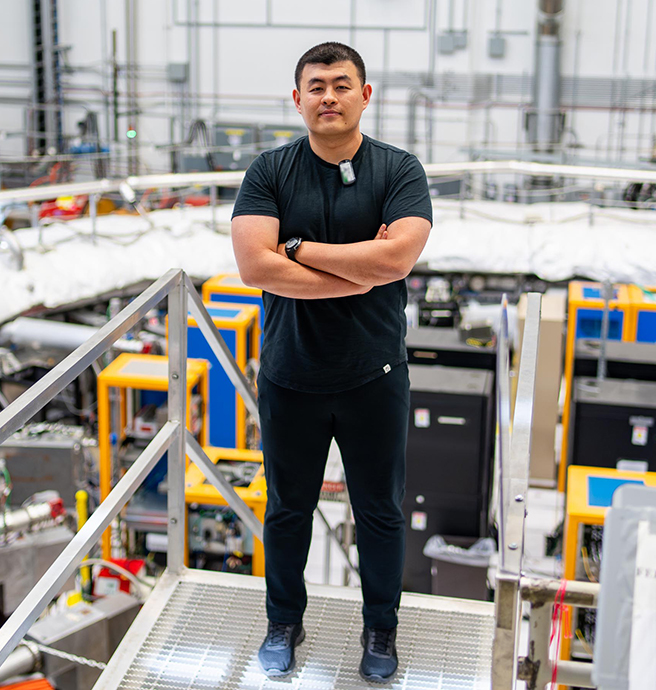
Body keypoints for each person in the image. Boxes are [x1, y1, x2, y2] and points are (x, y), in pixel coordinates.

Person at [230, 41, 433, 682]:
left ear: (364, 95)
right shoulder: (268, 170)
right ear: (298, 99)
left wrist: (299, 249)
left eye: (341, 85)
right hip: (291, 375)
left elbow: (396, 260)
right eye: (315, 86)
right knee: (287, 511)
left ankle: (381, 630)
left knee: (380, 513)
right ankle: (283, 622)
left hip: (374, 376)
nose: (328, 97)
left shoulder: (399, 171)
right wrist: (355, 271)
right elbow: (255, 266)